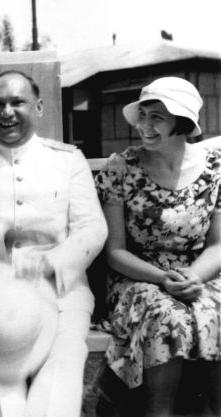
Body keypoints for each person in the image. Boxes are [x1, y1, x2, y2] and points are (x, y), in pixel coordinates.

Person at [0, 70, 108, 417]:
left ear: (39, 107)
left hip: (60, 293)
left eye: (17, 102)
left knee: (60, 382)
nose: (6, 112)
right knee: (5, 399)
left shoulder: (67, 159)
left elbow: (92, 228)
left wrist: (51, 262)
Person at [94, 77, 221, 417]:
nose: (144, 127)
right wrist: (164, 279)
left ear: (182, 123)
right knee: (167, 318)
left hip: (199, 274)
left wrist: (192, 277)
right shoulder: (120, 169)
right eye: (143, 116)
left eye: (157, 118)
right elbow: (115, 252)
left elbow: (218, 245)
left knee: (214, 312)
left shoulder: (215, 169)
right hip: (139, 277)